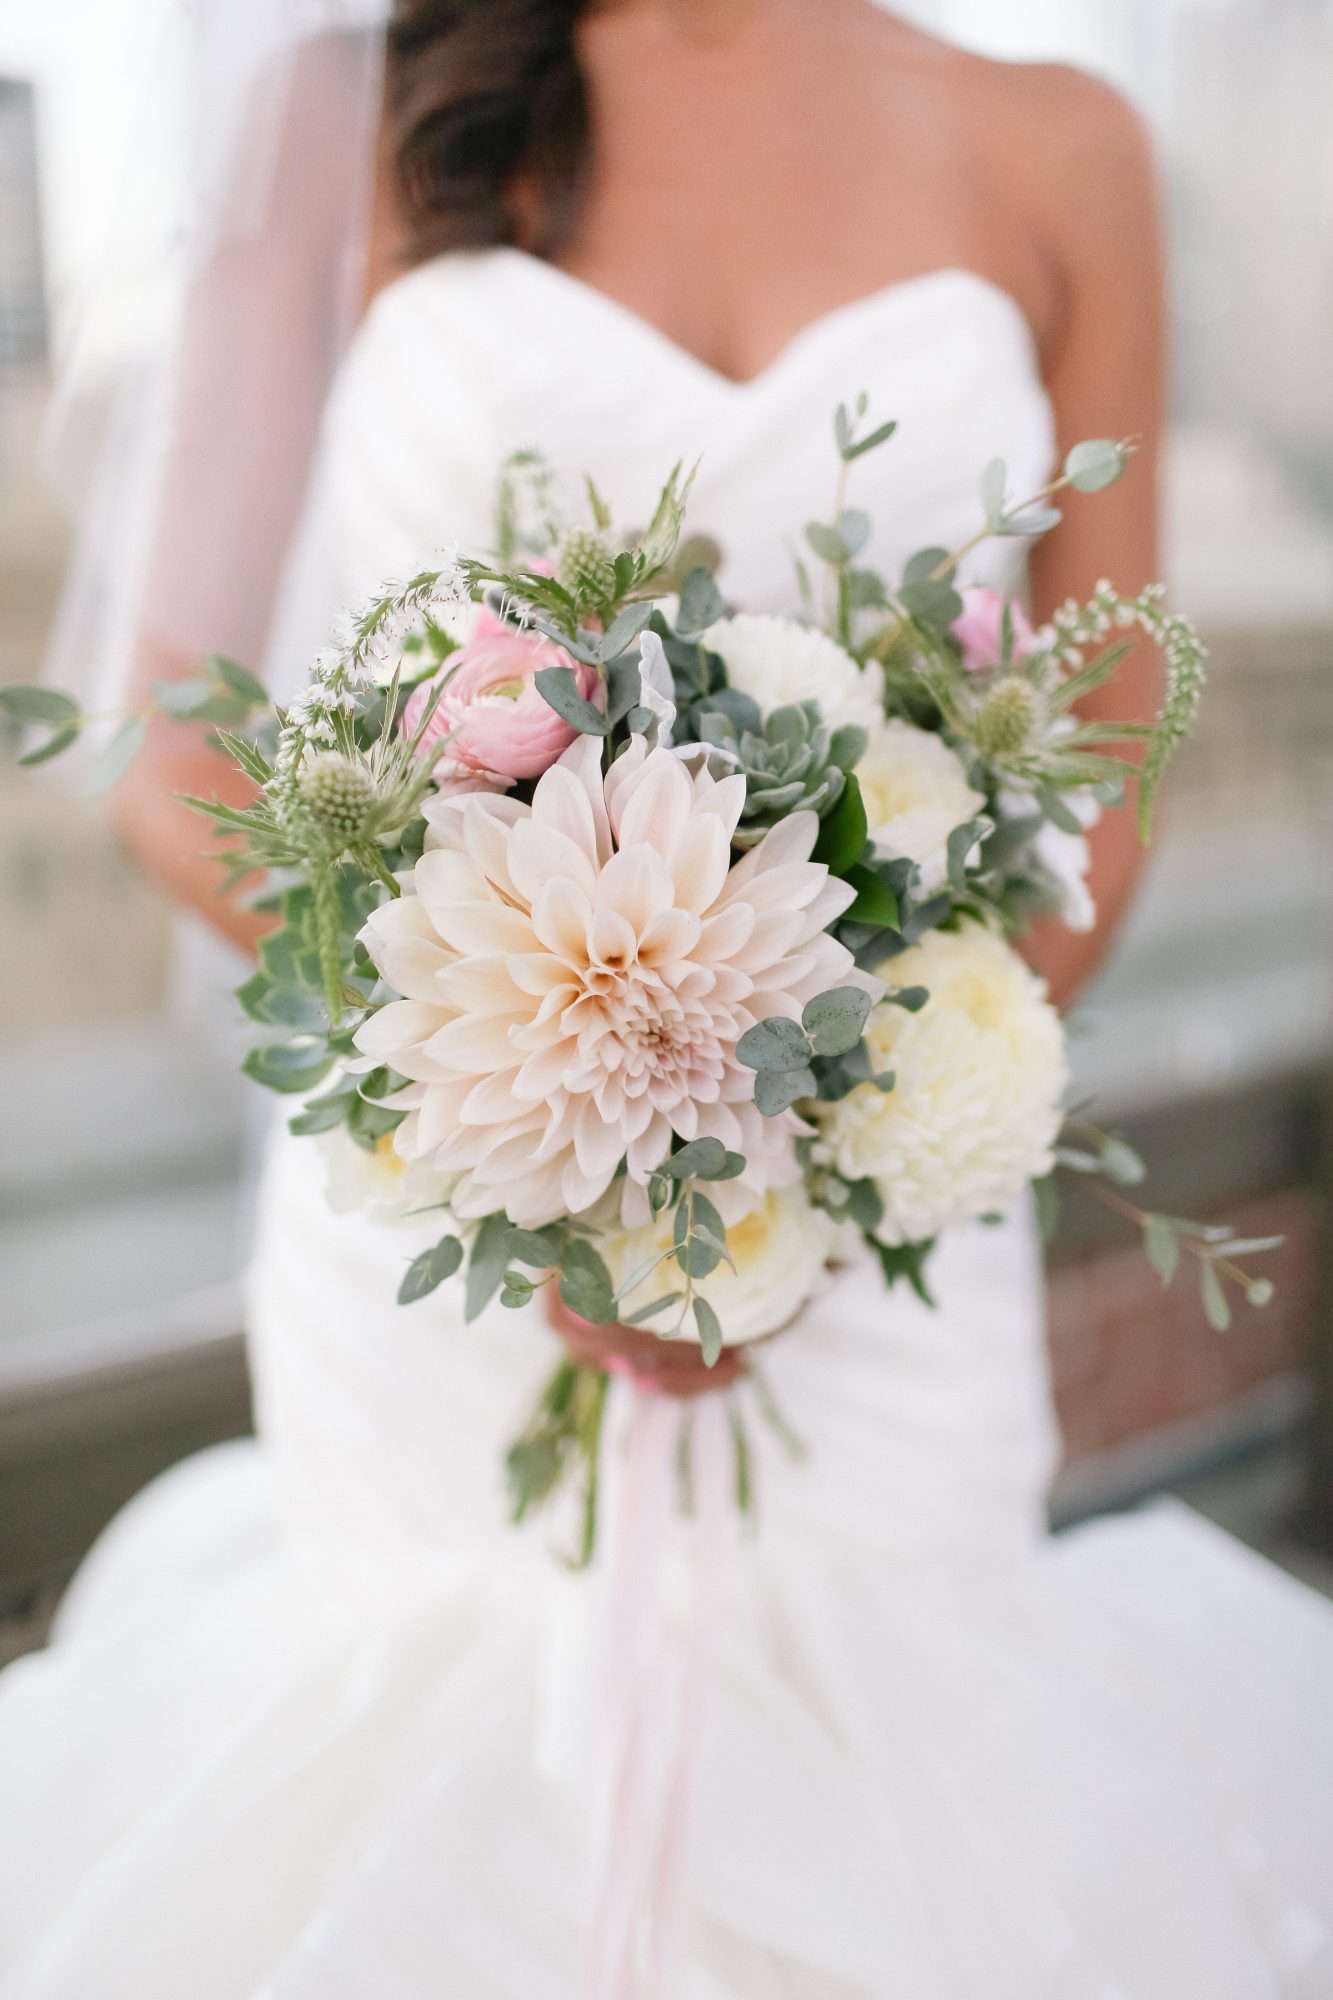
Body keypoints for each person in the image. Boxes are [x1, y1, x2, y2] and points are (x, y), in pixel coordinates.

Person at [3, 4, 1331, 1994]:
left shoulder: (1057, 143)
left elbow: (1107, 752)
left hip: (882, 1286)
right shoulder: (349, 106)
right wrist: (514, 1100)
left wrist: (813, 1151)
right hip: (439, 1226)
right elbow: (168, 742)